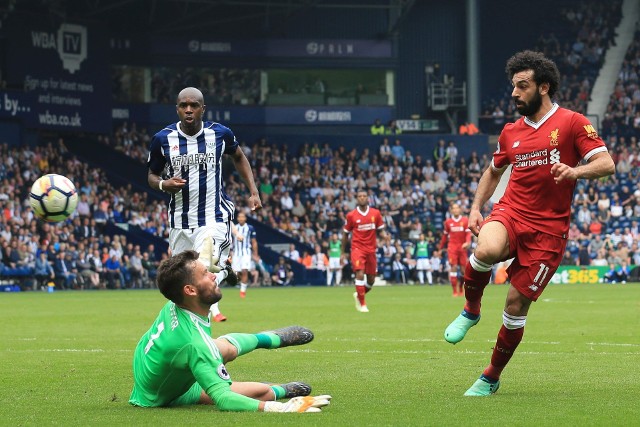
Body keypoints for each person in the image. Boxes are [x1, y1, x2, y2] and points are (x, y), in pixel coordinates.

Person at [443, 50, 615, 396]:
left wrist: (575, 170)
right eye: (513, 86)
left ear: (544, 87)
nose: (514, 94)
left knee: (514, 307)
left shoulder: (572, 122)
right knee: (487, 248)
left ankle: (490, 376)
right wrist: (476, 207)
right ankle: (471, 309)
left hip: (549, 231)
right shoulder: (510, 132)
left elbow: (607, 163)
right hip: (512, 211)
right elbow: (493, 172)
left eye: (522, 86)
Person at [129, 250, 331, 412]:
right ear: (190, 290)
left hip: (154, 367)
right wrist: (279, 408)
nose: (213, 275)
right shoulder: (195, 342)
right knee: (260, 391)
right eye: (205, 274)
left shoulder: (179, 300)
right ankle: (282, 392)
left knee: (226, 348)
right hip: (162, 396)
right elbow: (224, 400)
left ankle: (273, 338)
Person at [147, 87, 262, 322]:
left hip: (214, 216)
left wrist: (253, 190)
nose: (188, 110)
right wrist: (163, 185)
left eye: (194, 105)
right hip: (180, 221)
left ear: (203, 109)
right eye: (183, 105)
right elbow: (152, 175)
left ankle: (217, 272)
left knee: (203, 269)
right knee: (181, 287)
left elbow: (239, 156)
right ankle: (222, 273)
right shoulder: (162, 139)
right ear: (177, 109)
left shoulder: (220, 134)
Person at [341, 189, 386, 313]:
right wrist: (342, 252)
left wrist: (385, 237)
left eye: (364, 196)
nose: (362, 198)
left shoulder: (375, 213)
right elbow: (345, 234)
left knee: (371, 279)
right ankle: (363, 304)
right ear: (357, 198)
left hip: (371, 249)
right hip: (357, 248)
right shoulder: (351, 215)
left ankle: (359, 294)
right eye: (359, 196)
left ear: (368, 198)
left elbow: (381, 230)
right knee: (359, 273)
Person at [439, 203, 472, 296]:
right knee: (453, 267)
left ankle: (461, 288)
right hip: (452, 248)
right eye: (454, 208)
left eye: (457, 208)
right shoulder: (448, 222)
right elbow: (445, 236)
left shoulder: (465, 220)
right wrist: (440, 248)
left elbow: (468, 234)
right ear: (451, 210)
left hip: (462, 248)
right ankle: (454, 291)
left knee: (463, 270)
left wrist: (467, 242)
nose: (456, 210)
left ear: (460, 210)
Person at [231, 211, 257, 299]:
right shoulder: (234, 228)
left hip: (246, 252)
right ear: (237, 218)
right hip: (236, 253)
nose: (241, 218)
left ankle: (242, 291)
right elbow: (231, 241)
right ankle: (243, 283)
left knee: (245, 270)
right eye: (239, 217)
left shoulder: (250, 228)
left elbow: (254, 242)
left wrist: (255, 254)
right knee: (236, 273)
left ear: (245, 218)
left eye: (243, 217)